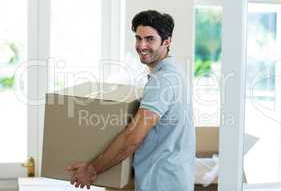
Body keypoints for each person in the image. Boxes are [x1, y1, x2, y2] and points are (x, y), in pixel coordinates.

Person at [67, 10, 195, 191]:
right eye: (138, 38)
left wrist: (92, 169)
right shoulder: (174, 71)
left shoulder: (163, 80)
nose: (142, 46)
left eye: (150, 39)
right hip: (171, 178)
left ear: (167, 42)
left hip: (161, 182)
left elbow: (132, 137)